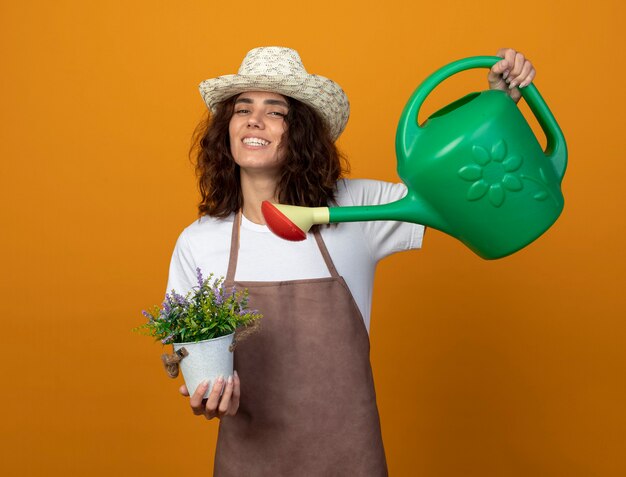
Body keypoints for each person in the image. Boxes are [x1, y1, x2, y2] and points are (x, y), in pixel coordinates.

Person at [166, 46, 536, 476]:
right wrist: (205, 390)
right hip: (249, 464)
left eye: (275, 111)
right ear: (226, 129)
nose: (254, 120)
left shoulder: (357, 208)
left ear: (300, 129)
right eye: (242, 109)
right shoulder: (200, 242)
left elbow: (451, 191)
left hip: (349, 461)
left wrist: (497, 105)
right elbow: (185, 356)